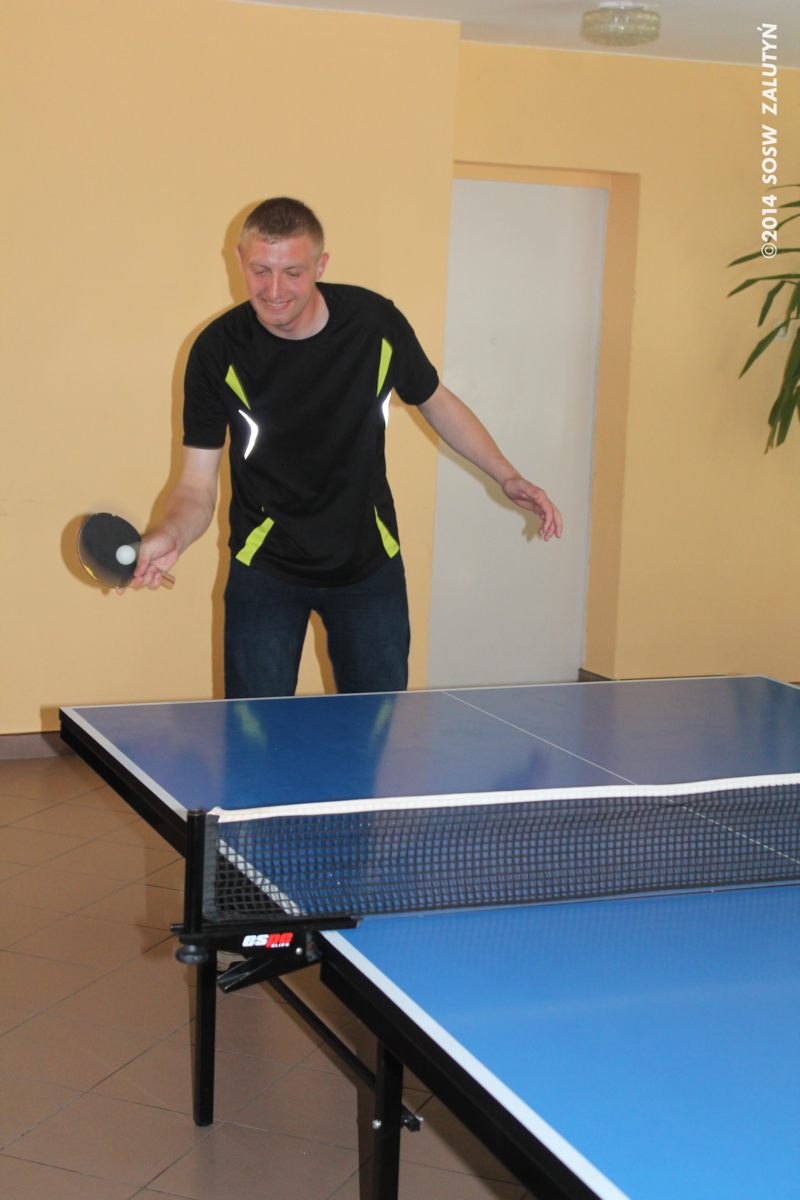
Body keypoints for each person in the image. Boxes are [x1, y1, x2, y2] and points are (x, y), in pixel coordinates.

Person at [129, 197, 562, 697]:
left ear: (321, 266)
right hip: (266, 571)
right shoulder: (216, 351)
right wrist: (172, 535)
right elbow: (196, 487)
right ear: (240, 260)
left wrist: (506, 474)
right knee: (255, 737)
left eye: (292, 272)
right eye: (260, 270)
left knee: (375, 731)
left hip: (368, 568)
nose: (274, 290)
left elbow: (436, 401)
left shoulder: (375, 325)